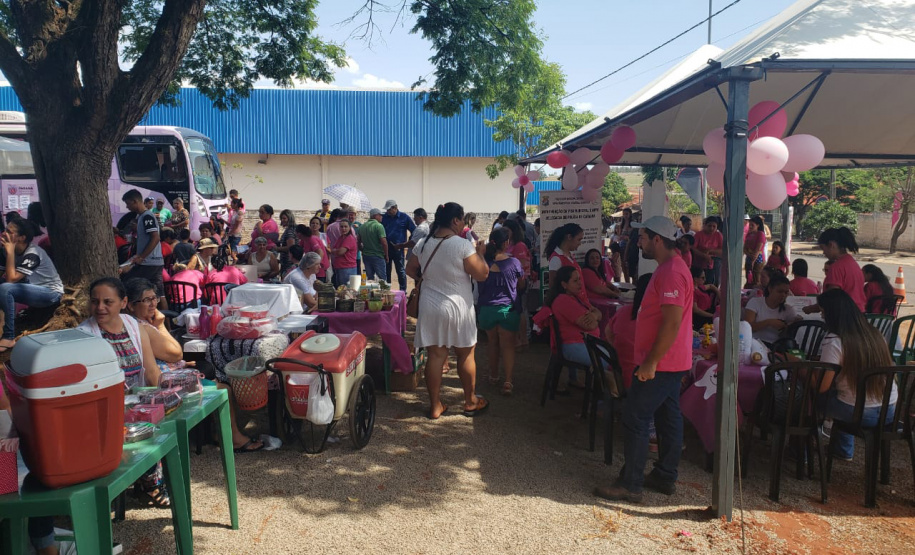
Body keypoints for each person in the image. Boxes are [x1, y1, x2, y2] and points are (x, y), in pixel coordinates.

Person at [594, 216, 693, 503]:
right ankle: (664, 475)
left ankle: (631, 484)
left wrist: (650, 362)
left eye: (643, 238)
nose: (638, 242)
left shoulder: (672, 272)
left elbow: (672, 322)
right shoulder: (670, 268)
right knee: (667, 417)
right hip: (669, 360)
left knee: (636, 416)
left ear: (657, 240)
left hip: (661, 362)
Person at [78, 278, 171, 507]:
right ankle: (134, 485)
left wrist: (163, 400)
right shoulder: (83, 335)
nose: (100, 307)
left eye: (107, 301)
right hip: (105, 408)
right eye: (95, 301)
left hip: (138, 403)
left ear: (123, 302)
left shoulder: (134, 326)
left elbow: (151, 370)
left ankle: (148, 483)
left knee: (161, 424)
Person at [406, 202, 489, 420]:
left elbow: (410, 269)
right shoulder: (462, 246)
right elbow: (482, 274)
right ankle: (470, 401)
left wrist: (430, 279)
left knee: (435, 355)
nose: (463, 224)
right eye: (461, 220)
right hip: (459, 306)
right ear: (455, 221)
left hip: (431, 307)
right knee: (466, 354)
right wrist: (480, 254)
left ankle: (435, 406)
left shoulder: (423, 244)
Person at [817, 288, 896, 462]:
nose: (822, 317)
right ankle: (842, 447)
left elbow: (821, 386)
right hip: (889, 410)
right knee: (846, 392)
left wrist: (801, 370)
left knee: (816, 398)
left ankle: (803, 450)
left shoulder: (835, 340)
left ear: (832, 314)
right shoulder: (875, 334)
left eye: (823, 312)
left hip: (859, 413)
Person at [0, 219, 64, 352]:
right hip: (31, 287)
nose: (3, 233)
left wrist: (10, 252)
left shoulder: (33, 253)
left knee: (6, 288)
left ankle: (8, 337)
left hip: (50, 293)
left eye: (9, 232)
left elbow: (11, 279)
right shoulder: (9, 251)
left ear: (22, 238)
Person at [476, 228, 525, 396]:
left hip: (487, 309)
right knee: (508, 345)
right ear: (506, 243)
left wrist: (480, 254)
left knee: (492, 343)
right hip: (507, 309)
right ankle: (508, 380)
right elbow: (521, 285)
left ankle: (493, 375)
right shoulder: (514, 263)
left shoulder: (483, 262)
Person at [547, 266, 603, 391]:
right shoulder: (563, 301)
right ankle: (600, 402)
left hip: (584, 343)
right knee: (610, 363)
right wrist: (595, 316)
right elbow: (591, 325)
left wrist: (594, 315)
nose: (580, 283)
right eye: (575, 281)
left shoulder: (576, 298)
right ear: (564, 284)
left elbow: (599, 313)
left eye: (579, 280)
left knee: (614, 356)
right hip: (574, 346)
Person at [123, 278, 184, 372]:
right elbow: (177, 355)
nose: (153, 304)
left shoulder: (138, 322)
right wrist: (160, 326)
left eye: (154, 298)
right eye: (147, 300)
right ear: (131, 306)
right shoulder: (143, 327)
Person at [606, 273, 652, 390]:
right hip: (638, 381)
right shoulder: (654, 319)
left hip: (617, 373)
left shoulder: (624, 311)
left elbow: (608, 333)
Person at [804, 227, 866, 314]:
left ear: (831, 245)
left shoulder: (836, 267)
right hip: (858, 314)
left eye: (823, 248)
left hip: (844, 315)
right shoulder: (853, 263)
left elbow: (832, 298)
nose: (823, 253)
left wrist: (811, 309)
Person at [121, 188, 165, 309]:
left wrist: (141, 256)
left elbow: (155, 238)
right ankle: (165, 323)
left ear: (135, 201)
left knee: (129, 285)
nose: (127, 207)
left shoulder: (147, 217)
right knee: (159, 294)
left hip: (148, 262)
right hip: (155, 262)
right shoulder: (141, 217)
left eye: (128, 204)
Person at [743, 274, 800, 344]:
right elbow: (747, 328)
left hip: (776, 347)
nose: (783, 295)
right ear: (770, 289)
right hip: (754, 343)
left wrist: (790, 326)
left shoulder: (789, 310)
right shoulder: (755, 302)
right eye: (780, 291)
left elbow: (788, 336)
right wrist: (768, 322)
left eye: (786, 292)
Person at [545, 222, 587, 303]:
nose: (580, 243)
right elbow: (553, 285)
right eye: (579, 239)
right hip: (570, 303)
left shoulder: (569, 256)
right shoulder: (556, 258)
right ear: (569, 237)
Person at [382, 199, 416, 291]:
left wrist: (407, 243)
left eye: (389, 210)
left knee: (400, 271)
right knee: (387, 271)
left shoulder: (404, 217)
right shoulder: (384, 217)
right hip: (386, 249)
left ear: (395, 208)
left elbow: (414, 230)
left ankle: (403, 291)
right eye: (387, 210)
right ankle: (387, 290)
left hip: (398, 249)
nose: (388, 212)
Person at [359, 208, 389, 281]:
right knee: (382, 280)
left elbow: (358, 242)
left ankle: (371, 292)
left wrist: (363, 250)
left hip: (366, 256)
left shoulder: (362, 226)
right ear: (375, 216)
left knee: (370, 279)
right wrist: (386, 255)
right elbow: (384, 242)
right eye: (380, 215)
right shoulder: (379, 226)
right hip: (378, 255)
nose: (382, 217)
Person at [692, 216, 723, 286]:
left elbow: (723, 251)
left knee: (713, 283)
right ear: (705, 225)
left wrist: (711, 251)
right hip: (699, 264)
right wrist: (703, 255)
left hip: (713, 265)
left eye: (714, 226)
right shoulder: (698, 235)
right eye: (709, 226)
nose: (711, 228)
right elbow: (693, 248)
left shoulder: (718, 235)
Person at [330, 219, 358, 287]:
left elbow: (340, 252)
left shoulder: (349, 238)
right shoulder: (341, 238)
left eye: (345, 227)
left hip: (347, 268)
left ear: (349, 227)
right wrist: (334, 251)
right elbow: (335, 249)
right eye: (341, 227)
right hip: (340, 267)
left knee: (346, 291)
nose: (343, 229)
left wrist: (333, 251)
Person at [743, 215, 767, 287]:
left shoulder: (760, 234)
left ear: (758, 225)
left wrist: (752, 262)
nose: (750, 227)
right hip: (749, 258)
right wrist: (749, 254)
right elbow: (744, 248)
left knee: (757, 278)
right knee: (749, 278)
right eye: (749, 225)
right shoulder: (749, 234)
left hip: (758, 259)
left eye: (752, 225)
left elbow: (757, 249)